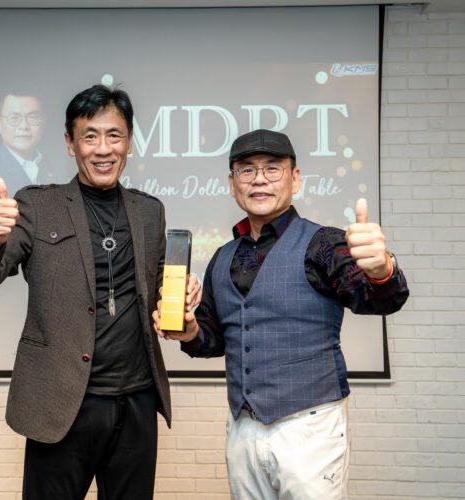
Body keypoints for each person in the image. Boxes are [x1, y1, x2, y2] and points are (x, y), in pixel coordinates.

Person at [0, 84, 200, 500]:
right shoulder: (38, 206)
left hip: (136, 400)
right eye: (90, 136)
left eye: (114, 135)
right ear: (70, 144)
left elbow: (158, 286)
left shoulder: (149, 211)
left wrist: (184, 292)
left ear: (129, 141)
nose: (103, 148)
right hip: (61, 400)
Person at [153, 129, 409, 500]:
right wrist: (190, 331)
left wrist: (382, 269)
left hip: (310, 428)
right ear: (232, 183)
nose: (259, 179)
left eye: (273, 168)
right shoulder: (222, 257)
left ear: (295, 178)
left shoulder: (324, 244)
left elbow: (380, 299)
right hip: (242, 427)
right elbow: (214, 340)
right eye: (247, 170)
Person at [0, 91, 50, 228]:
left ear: (43, 122)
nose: (24, 126)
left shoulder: (59, 165)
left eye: (32, 117)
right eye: (14, 118)